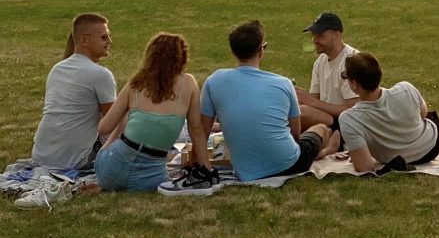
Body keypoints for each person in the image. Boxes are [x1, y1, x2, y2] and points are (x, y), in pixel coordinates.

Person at [200, 20, 340, 182]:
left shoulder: (214, 81)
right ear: (261, 51)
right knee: (321, 129)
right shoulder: (283, 84)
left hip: (245, 170)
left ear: (233, 52)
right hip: (289, 164)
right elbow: (295, 135)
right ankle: (326, 151)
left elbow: (202, 131)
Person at [94, 33, 211, 192]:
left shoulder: (135, 84)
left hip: (110, 172)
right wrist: (207, 171)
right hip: (150, 179)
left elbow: (104, 128)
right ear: (182, 57)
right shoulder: (188, 83)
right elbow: (196, 130)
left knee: (126, 118)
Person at [31, 13, 118, 170]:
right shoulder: (100, 74)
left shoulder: (57, 69)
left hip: (41, 155)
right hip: (75, 161)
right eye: (104, 37)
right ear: (84, 40)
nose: (109, 42)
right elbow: (113, 123)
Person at [337, 52, 439, 173]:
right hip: (432, 146)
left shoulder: (350, 119)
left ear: (354, 84)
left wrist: (357, 151)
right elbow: (423, 114)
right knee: (423, 113)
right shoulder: (405, 89)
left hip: (396, 158)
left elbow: (365, 167)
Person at [293, 12, 359, 131]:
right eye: (313, 35)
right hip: (329, 121)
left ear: (337, 35)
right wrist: (299, 96)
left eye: (320, 36)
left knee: (301, 114)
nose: (314, 40)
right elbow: (314, 100)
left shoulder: (352, 61)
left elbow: (353, 111)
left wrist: (311, 102)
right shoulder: (320, 62)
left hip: (347, 125)